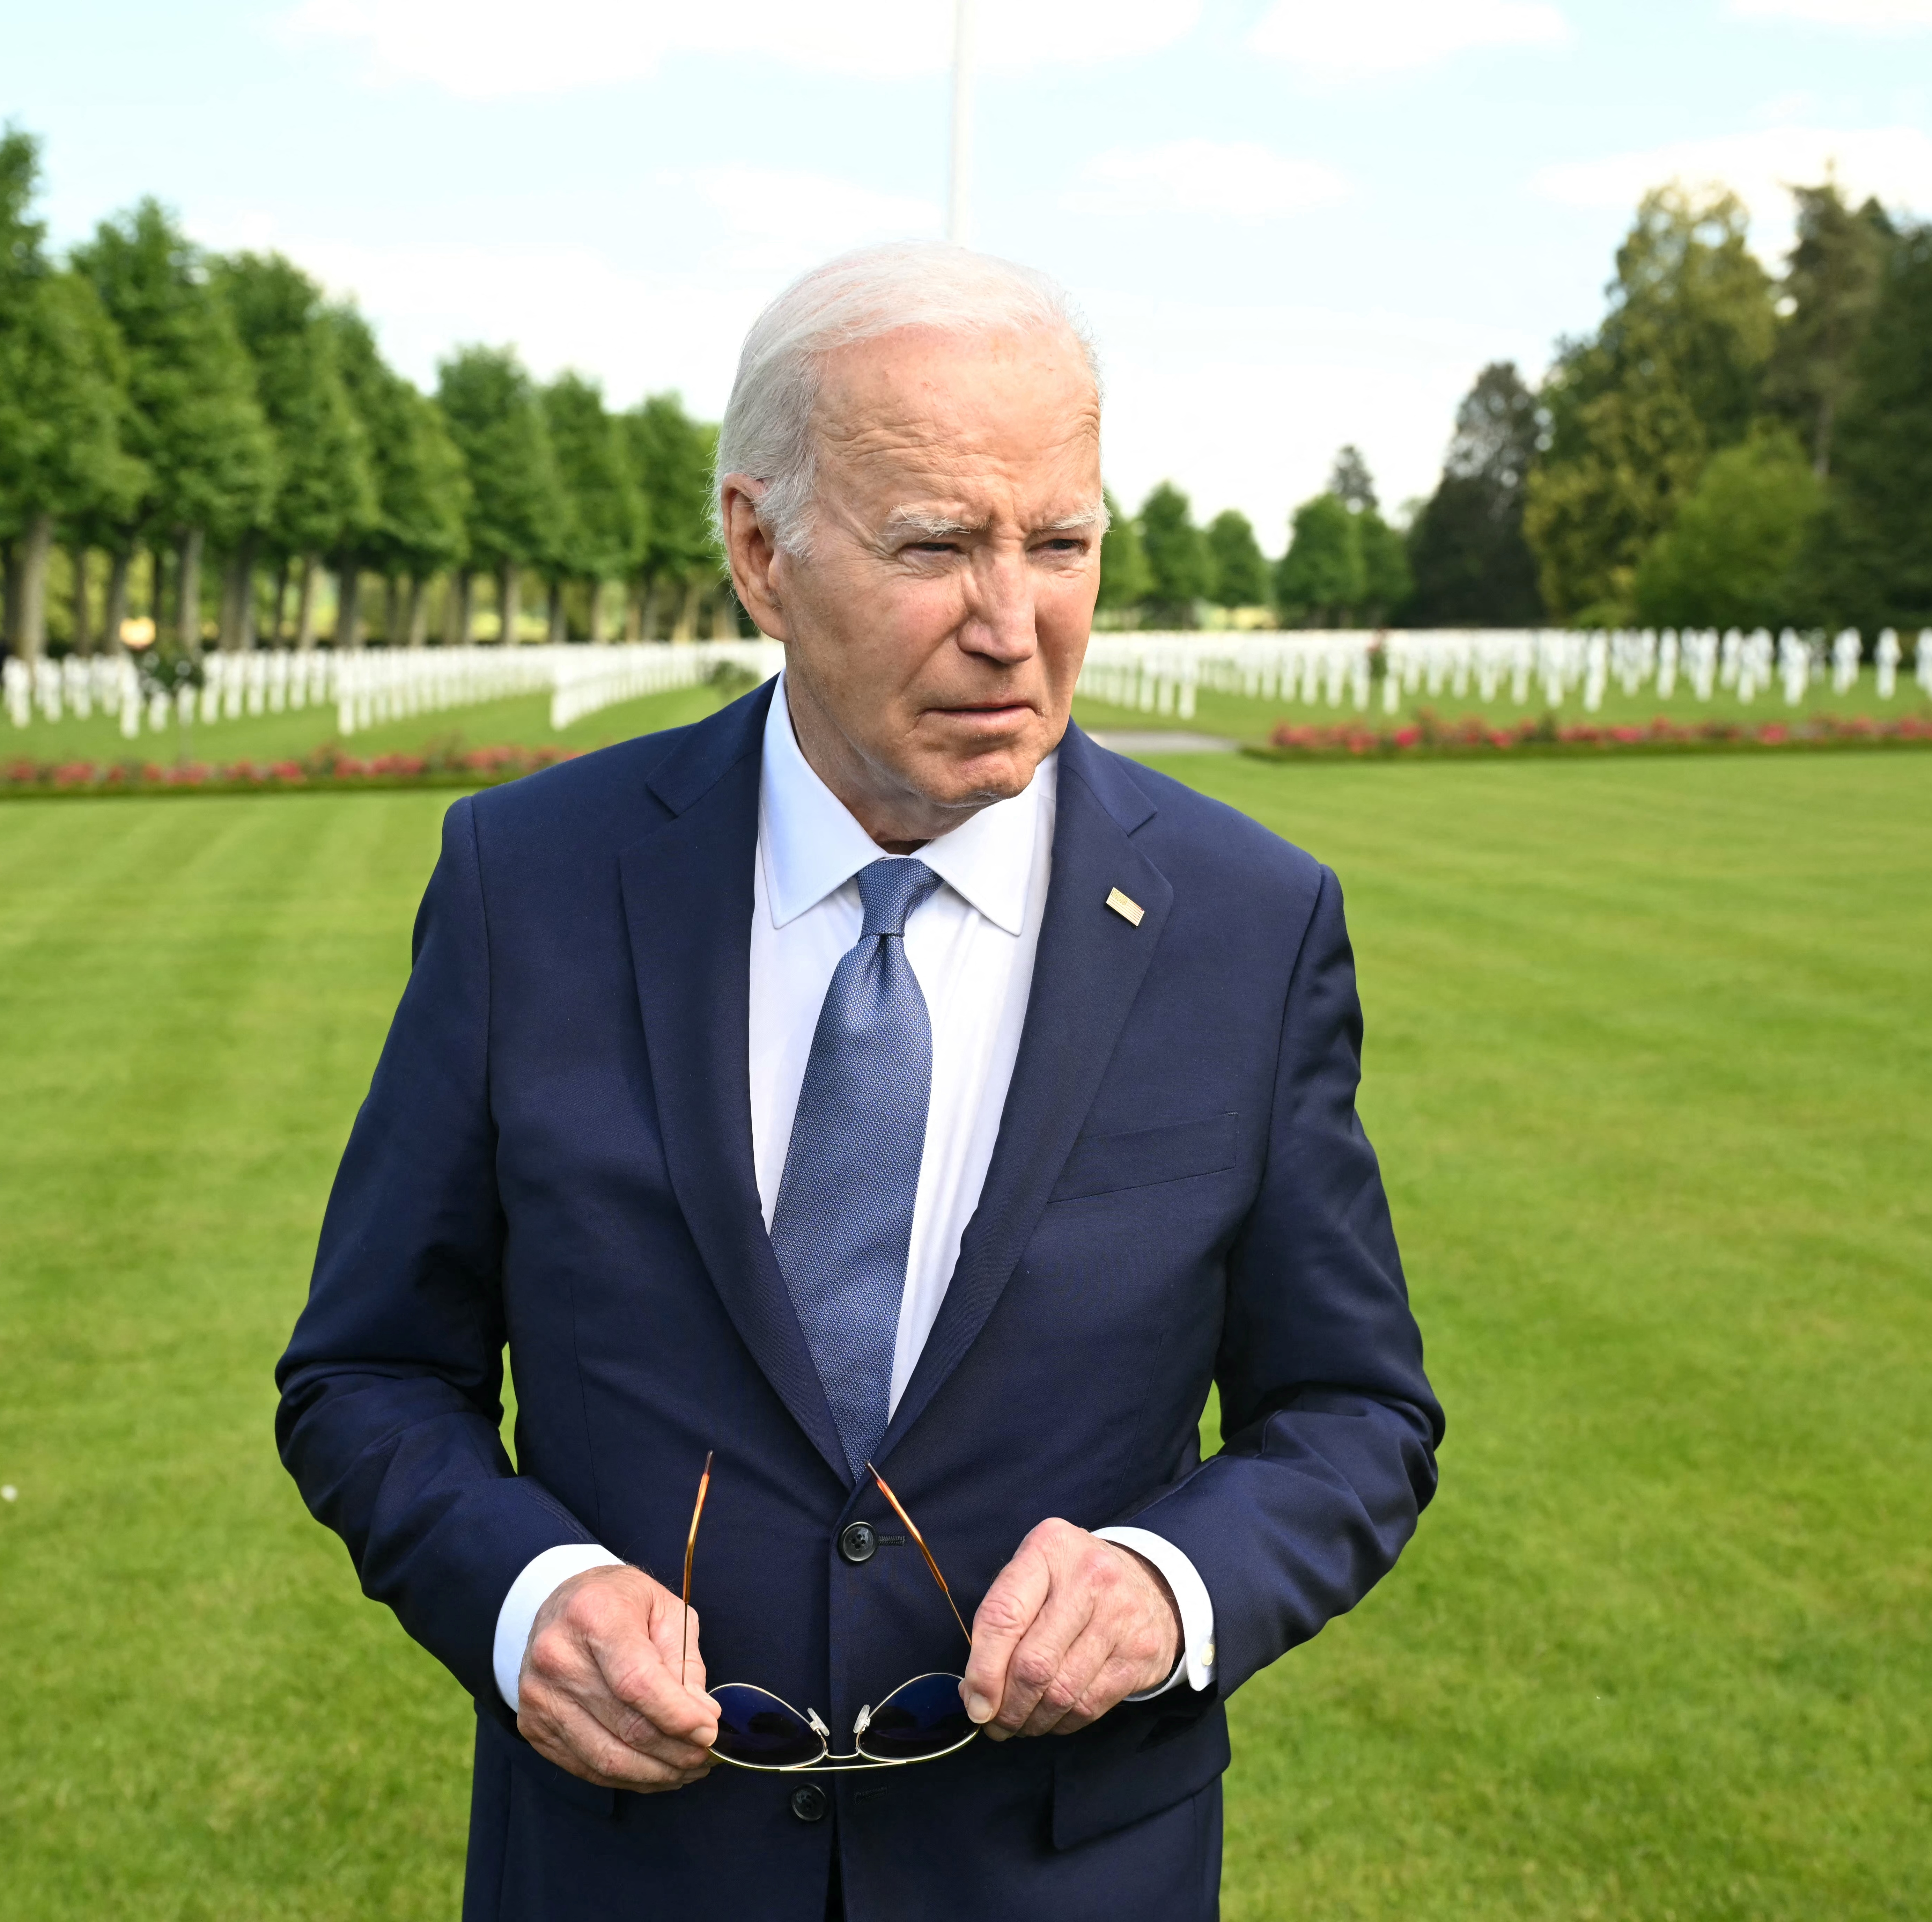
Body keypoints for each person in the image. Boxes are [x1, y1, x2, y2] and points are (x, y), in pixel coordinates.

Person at [276, 243, 1443, 1922]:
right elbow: (370, 1370)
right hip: (623, 1875)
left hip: (1063, 1874)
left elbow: (1354, 1412)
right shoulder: (524, 882)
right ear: (760, 549)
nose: (1010, 620)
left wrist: (1163, 1581)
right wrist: (527, 1594)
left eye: (1059, 542)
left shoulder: (1248, 926)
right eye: (935, 544)